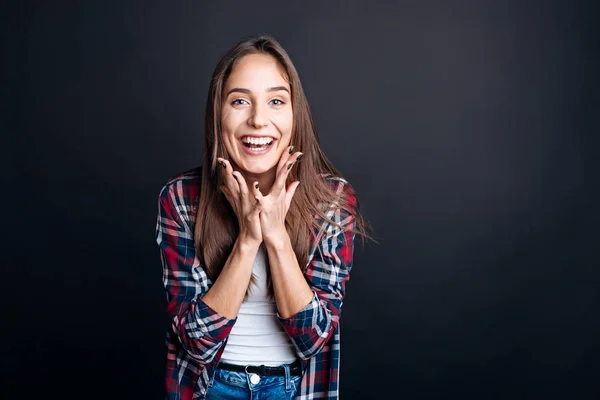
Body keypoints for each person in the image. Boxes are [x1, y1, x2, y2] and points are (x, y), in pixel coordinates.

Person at [155, 34, 370, 400]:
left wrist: (275, 236)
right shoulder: (181, 198)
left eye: (275, 101)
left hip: (294, 389)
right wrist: (248, 238)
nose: (258, 120)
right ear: (217, 113)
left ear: (293, 114)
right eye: (240, 101)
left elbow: (313, 339)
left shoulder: (333, 200)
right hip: (211, 388)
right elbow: (196, 342)